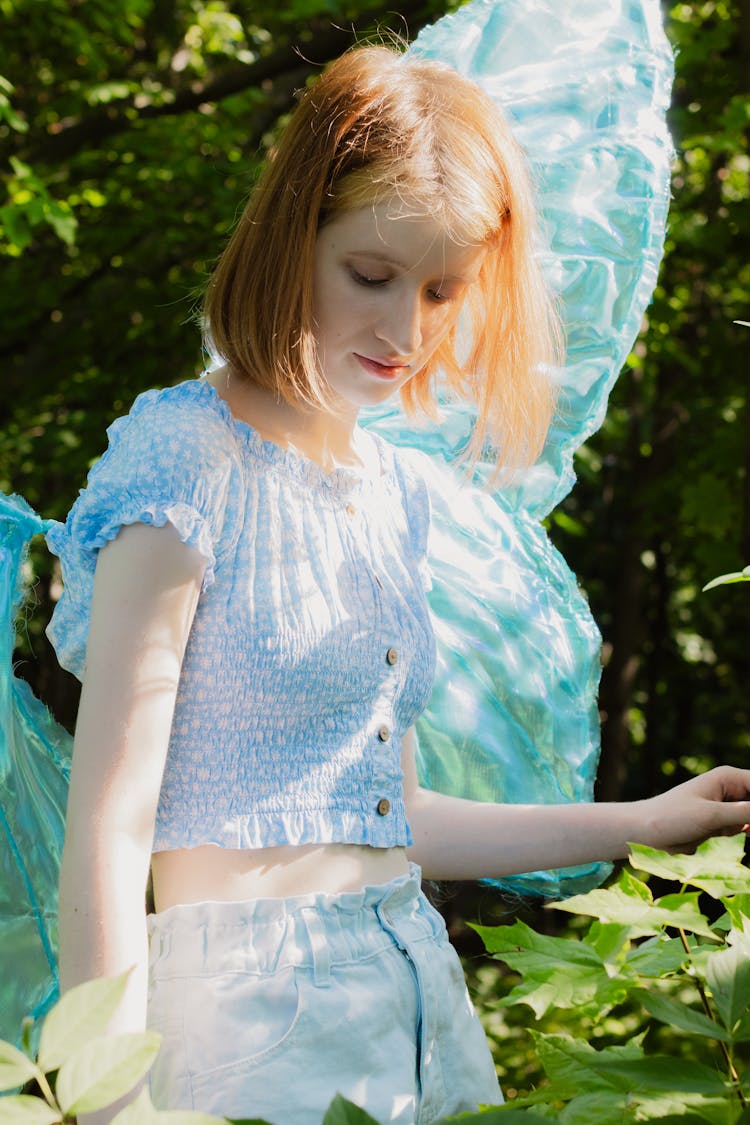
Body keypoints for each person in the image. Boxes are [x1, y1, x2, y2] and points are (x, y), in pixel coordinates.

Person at [47, 40, 750, 1125]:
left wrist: (642, 822)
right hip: (245, 1021)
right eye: (371, 276)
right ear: (294, 237)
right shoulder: (185, 459)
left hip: (417, 993)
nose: (407, 331)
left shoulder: (393, 492)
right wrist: (104, 1101)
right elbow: (108, 825)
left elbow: (398, 821)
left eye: (441, 290)